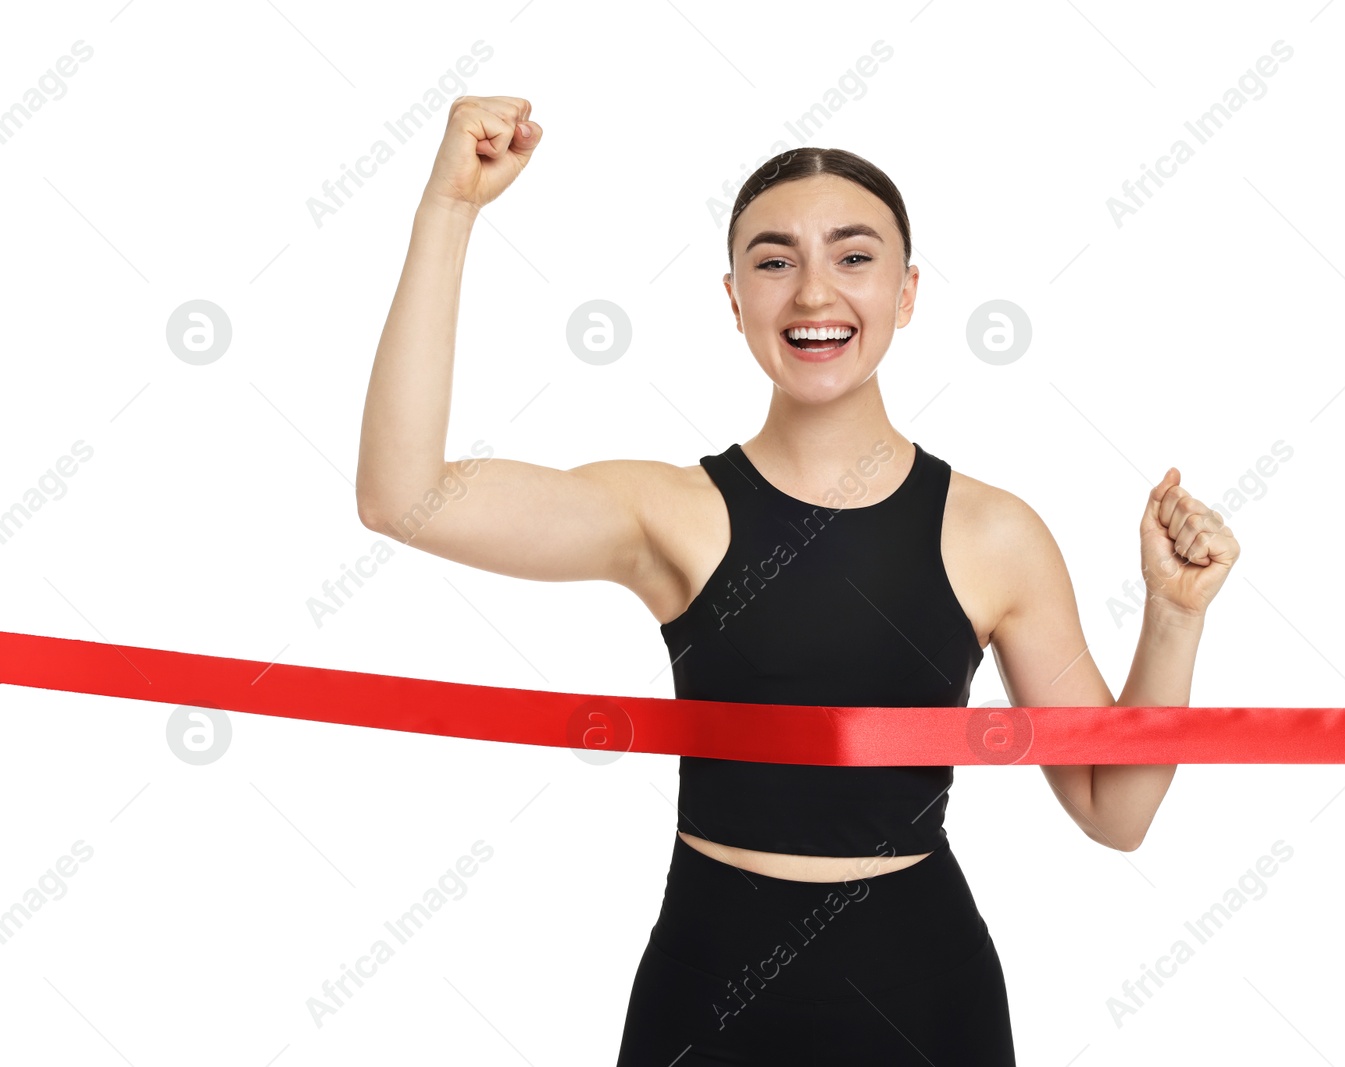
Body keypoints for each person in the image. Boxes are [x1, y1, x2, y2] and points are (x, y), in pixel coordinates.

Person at [354, 95, 1241, 1065]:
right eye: (774, 261)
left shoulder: (995, 533)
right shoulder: (667, 514)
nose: (813, 293)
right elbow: (405, 496)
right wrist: (448, 207)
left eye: (852, 257)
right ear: (733, 299)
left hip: (922, 994)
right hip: (706, 991)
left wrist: (1173, 615)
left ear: (906, 294)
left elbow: (1115, 808)